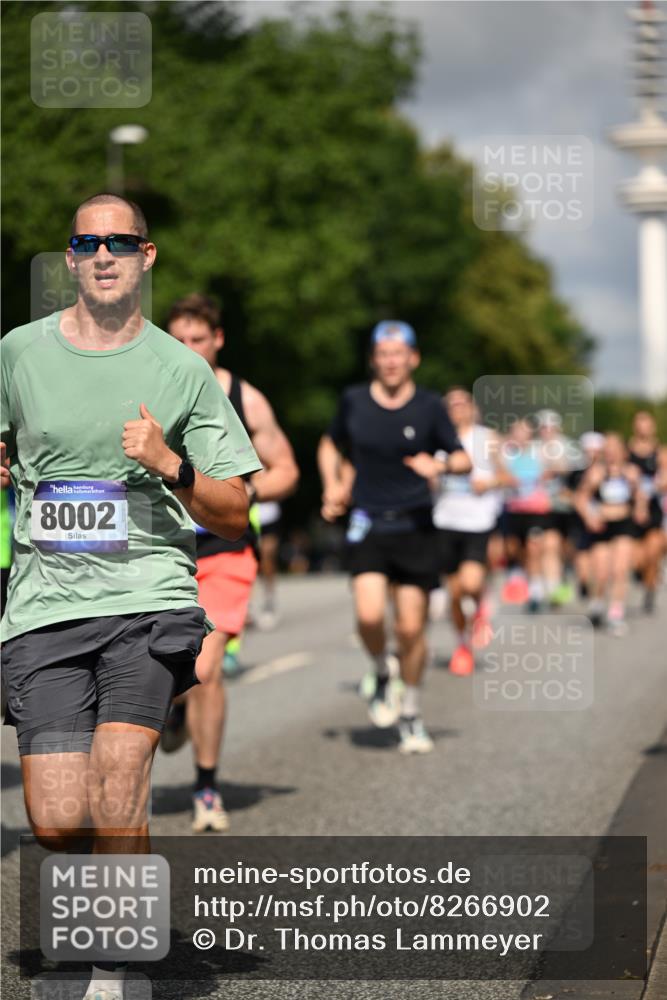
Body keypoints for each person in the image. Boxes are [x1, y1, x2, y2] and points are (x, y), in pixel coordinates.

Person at [0, 194, 260, 1000]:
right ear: (71, 259)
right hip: (45, 604)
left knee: (119, 785)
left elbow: (233, 508)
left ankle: (116, 966)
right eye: (88, 242)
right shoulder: (19, 351)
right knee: (54, 818)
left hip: (146, 596)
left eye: (120, 241)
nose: (104, 253)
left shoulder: (181, 370)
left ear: (146, 257)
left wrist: (168, 462)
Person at [165, 293, 299, 832]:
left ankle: (206, 786)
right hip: (162, 548)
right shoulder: (149, 391)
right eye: (178, 341)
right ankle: (174, 708)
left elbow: (287, 468)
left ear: (217, 340)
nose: (188, 350)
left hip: (225, 548)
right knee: (168, 672)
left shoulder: (247, 398)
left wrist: (240, 491)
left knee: (205, 666)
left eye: (198, 339)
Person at [318, 321, 470, 754]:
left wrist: (438, 466)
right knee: (369, 617)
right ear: (374, 360)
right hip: (368, 522)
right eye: (382, 353)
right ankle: (382, 671)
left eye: (397, 353)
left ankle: (412, 714)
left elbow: (462, 459)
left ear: (412, 358)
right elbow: (330, 445)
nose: (390, 361)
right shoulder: (354, 402)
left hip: (416, 526)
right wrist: (332, 484)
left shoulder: (429, 407)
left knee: (410, 630)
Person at [432, 388, 508, 675]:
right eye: (451, 404)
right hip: (444, 521)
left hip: (477, 521)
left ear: (472, 407)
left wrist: (488, 484)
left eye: (462, 403)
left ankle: (480, 604)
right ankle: (462, 644)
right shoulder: (436, 440)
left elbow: (506, 476)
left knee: (471, 583)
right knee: (454, 593)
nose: (457, 408)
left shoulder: (487, 439)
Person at [574, 432, 646, 634]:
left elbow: (641, 497)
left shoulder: (631, 472)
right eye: (609, 448)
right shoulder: (596, 472)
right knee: (602, 573)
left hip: (623, 524)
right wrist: (589, 517)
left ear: (623, 451)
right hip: (601, 526)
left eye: (616, 448)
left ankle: (616, 613)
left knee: (620, 570)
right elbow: (580, 498)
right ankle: (597, 602)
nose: (612, 453)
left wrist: (641, 508)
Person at [628, 411, 663, 613]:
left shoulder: (660, 452)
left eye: (646, 423)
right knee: (637, 558)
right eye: (639, 423)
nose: (643, 427)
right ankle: (641, 575)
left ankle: (650, 590)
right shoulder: (627, 452)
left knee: (653, 553)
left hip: (653, 510)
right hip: (630, 510)